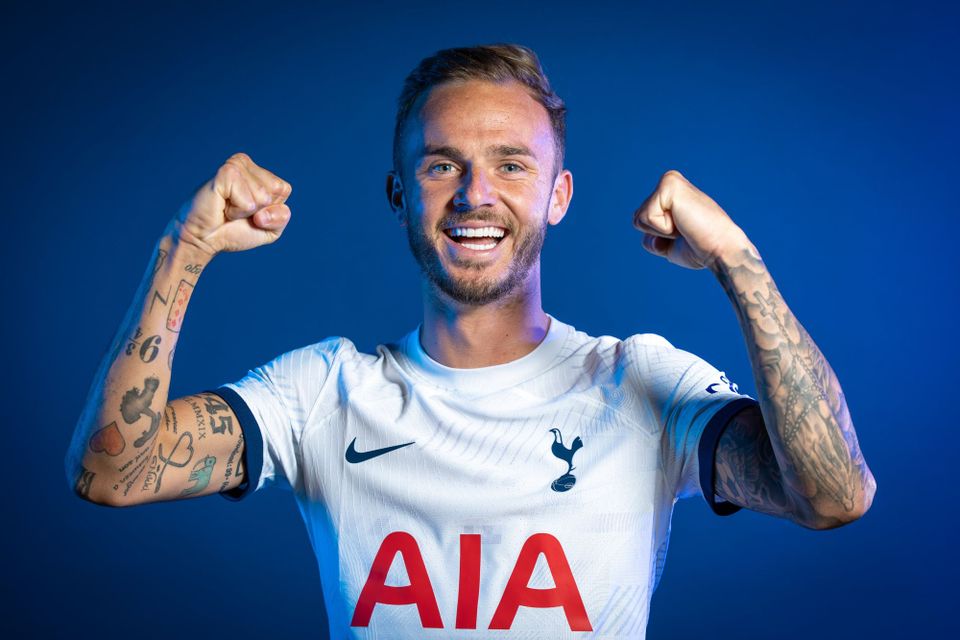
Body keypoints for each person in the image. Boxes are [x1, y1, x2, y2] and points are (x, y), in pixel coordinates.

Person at [66, 44, 876, 638]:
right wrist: (185, 246)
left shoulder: (641, 382)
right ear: (398, 192)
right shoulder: (321, 393)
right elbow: (112, 473)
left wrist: (738, 260)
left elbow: (834, 495)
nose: (476, 196)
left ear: (558, 196)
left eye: (512, 167)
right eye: (441, 166)